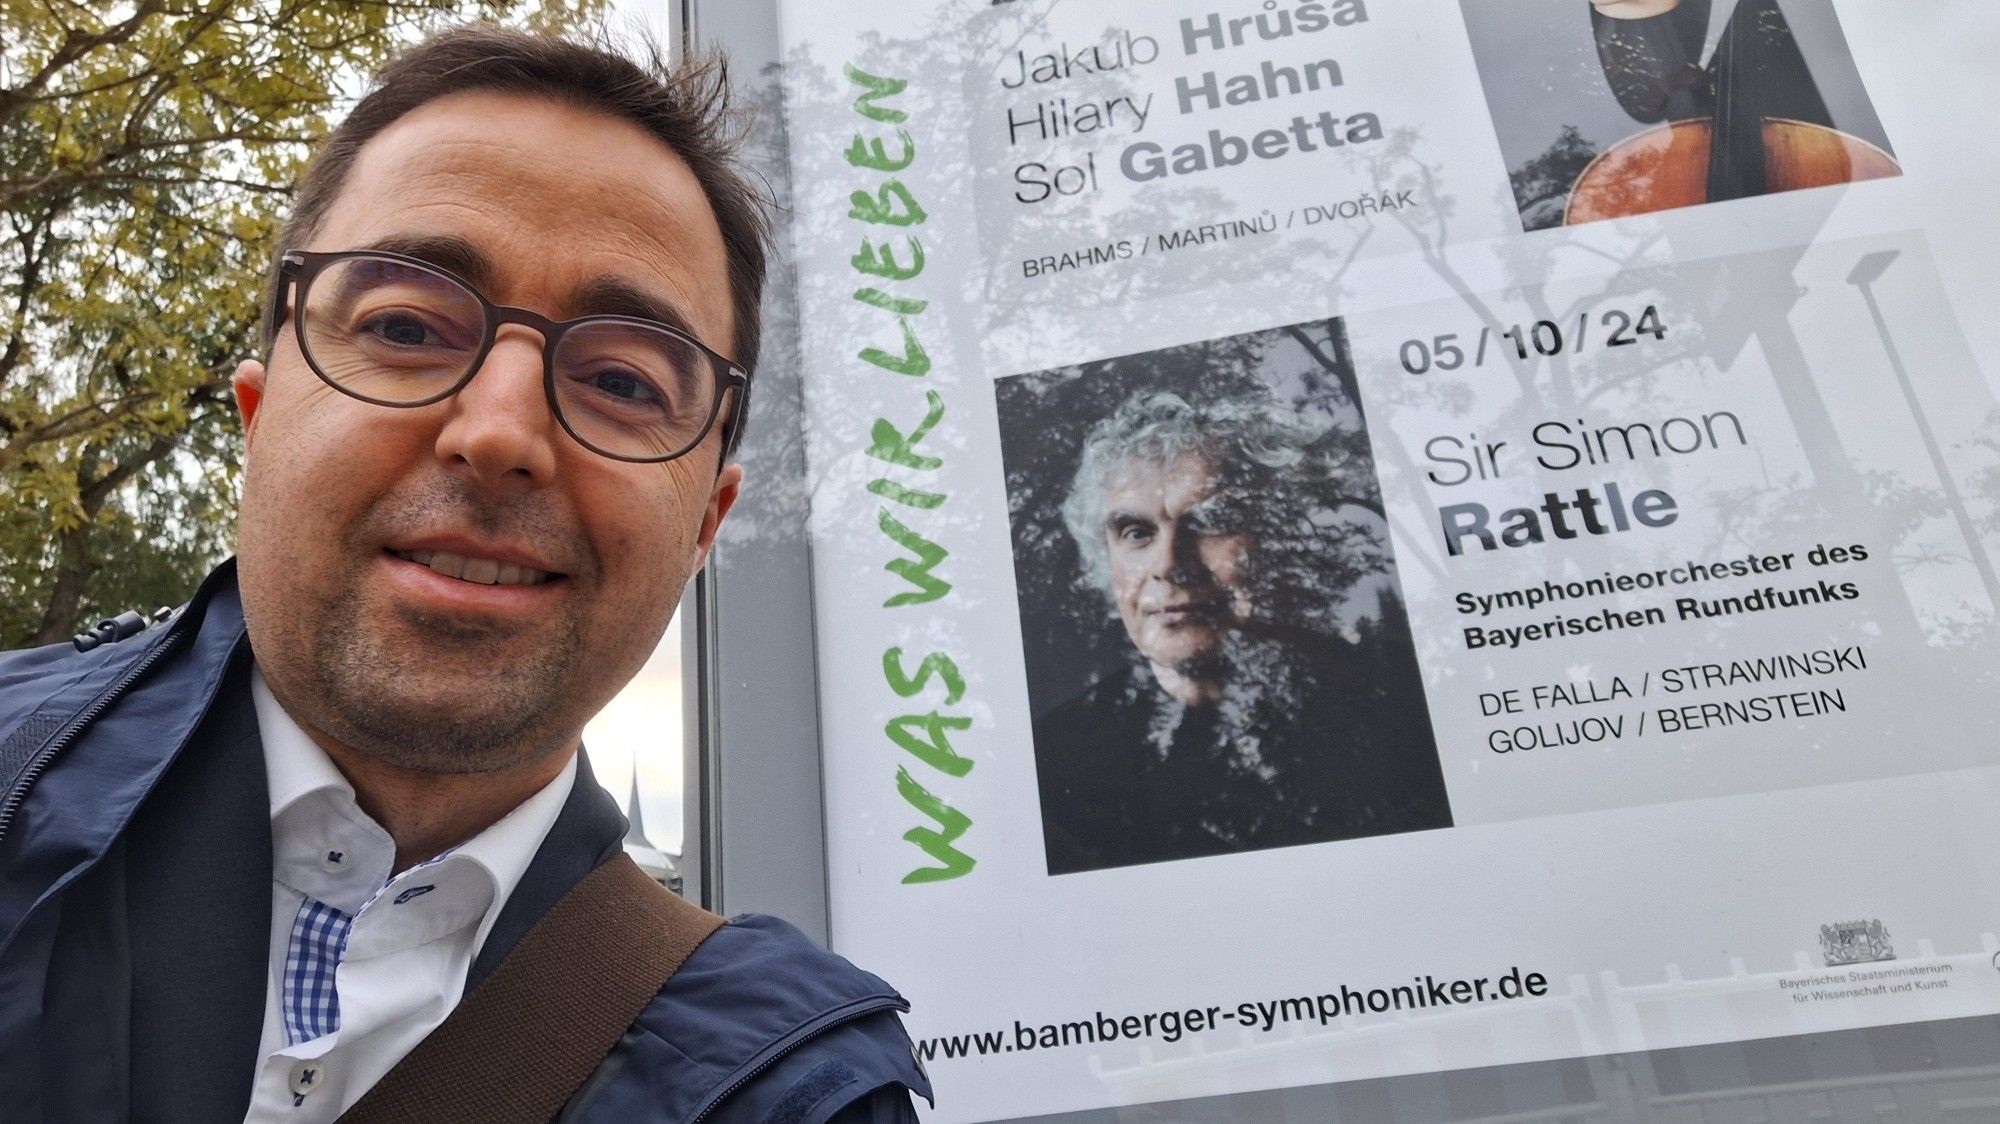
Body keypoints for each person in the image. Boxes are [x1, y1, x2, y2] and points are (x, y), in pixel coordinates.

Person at [0, 26, 928, 1123]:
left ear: (703, 525)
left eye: (624, 381)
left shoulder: (796, 1092)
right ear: (258, 417)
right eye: (404, 325)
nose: (499, 432)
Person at [1033, 392, 1452, 875]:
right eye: (1136, 533)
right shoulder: (1056, 756)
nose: (1169, 564)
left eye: (1211, 523)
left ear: (1278, 538)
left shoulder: (1389, 704)